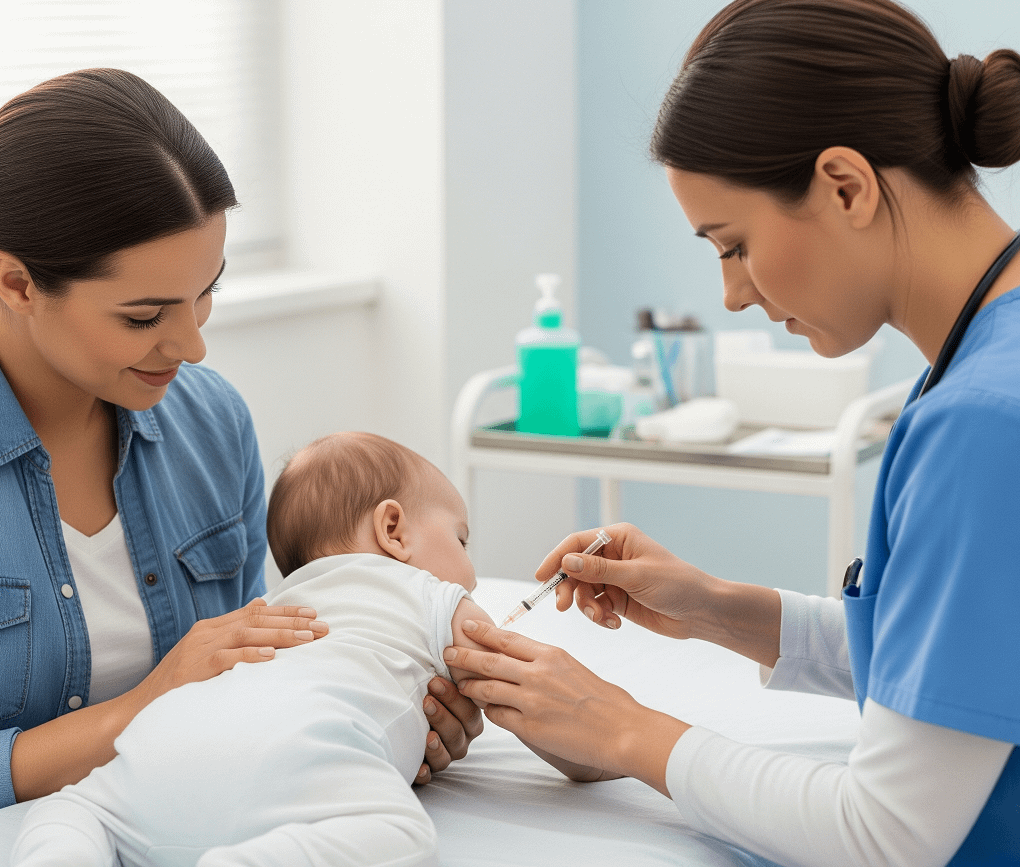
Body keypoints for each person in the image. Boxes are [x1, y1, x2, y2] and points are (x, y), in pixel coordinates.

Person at [444, 2, 1020, 865]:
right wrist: (718, 608)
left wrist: (620, 730)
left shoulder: (983, 421)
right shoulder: (987, 361)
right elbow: (959, 662)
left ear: (846, 186)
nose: (734, 295)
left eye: (733, 244)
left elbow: (887, 835)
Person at [0, 69, 476, 812]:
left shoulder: (210, 423)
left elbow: (256, 659)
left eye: (206, 292)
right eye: (144, 316)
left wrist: (377, 715)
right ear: (18, 285)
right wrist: (148, 702)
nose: (192, 345)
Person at [12, 431, 604, 867]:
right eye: (460, 537)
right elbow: (554, 717)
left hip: (156, 753)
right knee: (404, 838)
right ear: (393, 531)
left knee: (76, 806)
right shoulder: (432, 597)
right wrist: (592, 760)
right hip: (295, 757)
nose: (471, 573)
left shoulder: (265, 611)